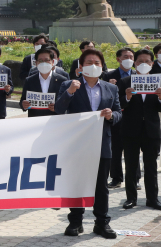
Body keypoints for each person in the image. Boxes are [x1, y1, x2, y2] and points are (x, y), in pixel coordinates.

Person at [54, 49, 121, 239]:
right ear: (80, 67)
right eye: (89, 62)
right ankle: (75, 222)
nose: (94, 65)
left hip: (101, 144)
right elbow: (59, 109)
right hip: (76, 144)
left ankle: (101, 223)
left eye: (97, 63)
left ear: (102, 66)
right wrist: (69, 92)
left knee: (101, 186)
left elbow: (118, 113)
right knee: (77, 183)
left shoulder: (111, 88)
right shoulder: (69, 85)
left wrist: (111, 115)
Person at [118, 49, 161, 210]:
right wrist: (127, 97)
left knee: (151, 166)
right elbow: (119, 105)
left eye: (147, 61)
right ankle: (131, 198)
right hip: (131, 130)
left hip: (151, 130)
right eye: (140, 61)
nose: (144, 64)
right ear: (134, 63)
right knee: (130, 165)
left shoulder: (158, 81)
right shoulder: (125, 82)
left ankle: (152, 199)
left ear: (152, 63)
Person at [103, 47, 139, 189]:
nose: (129, 59)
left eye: (131, 57)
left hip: (133, 118)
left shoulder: (139, 75)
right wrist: (109, 86)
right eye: (125, 57)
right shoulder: (109, 76)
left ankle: (135, 179)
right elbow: (104, 97)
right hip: (116, 118)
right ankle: (116, 178)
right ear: (118, 59)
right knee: (116, 150)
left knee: (133, 151)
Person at [20, 48, 68, 117]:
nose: (44, 63)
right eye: (40, 60)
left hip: (55, 120)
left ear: (52, 62)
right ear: (36, 63)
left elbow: (66, 102)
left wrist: (58, 107)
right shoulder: (29, 80)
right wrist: (23, 104)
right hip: (35, 120)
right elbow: (22, 101)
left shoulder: (62, 80)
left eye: (46, 60)